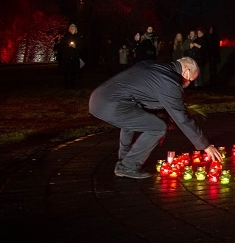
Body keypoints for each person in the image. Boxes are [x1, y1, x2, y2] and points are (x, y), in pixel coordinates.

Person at [88, 56, 222, 179]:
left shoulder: (154, 66)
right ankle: (127, 166)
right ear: (186, 72)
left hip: (99, 98)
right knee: (158, 127)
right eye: (191, 80)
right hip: (111, 104)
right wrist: (205, 145)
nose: (188, 84)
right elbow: (182, 118)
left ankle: (125, 160)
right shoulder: (170, 83)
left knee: (132, 121)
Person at [57, 23, 83, 89]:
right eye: (71, 28)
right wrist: (68, 46)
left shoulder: (78, 37)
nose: (72, 30)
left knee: (73, 72)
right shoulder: (66, 37)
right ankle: (66, 85)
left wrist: (75, 46)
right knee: (66, 72)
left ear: (75, 29)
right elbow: (61, 46)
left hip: (74, 56)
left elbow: (81, 47)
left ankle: (72, 85)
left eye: (73, 28)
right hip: (67, 56)